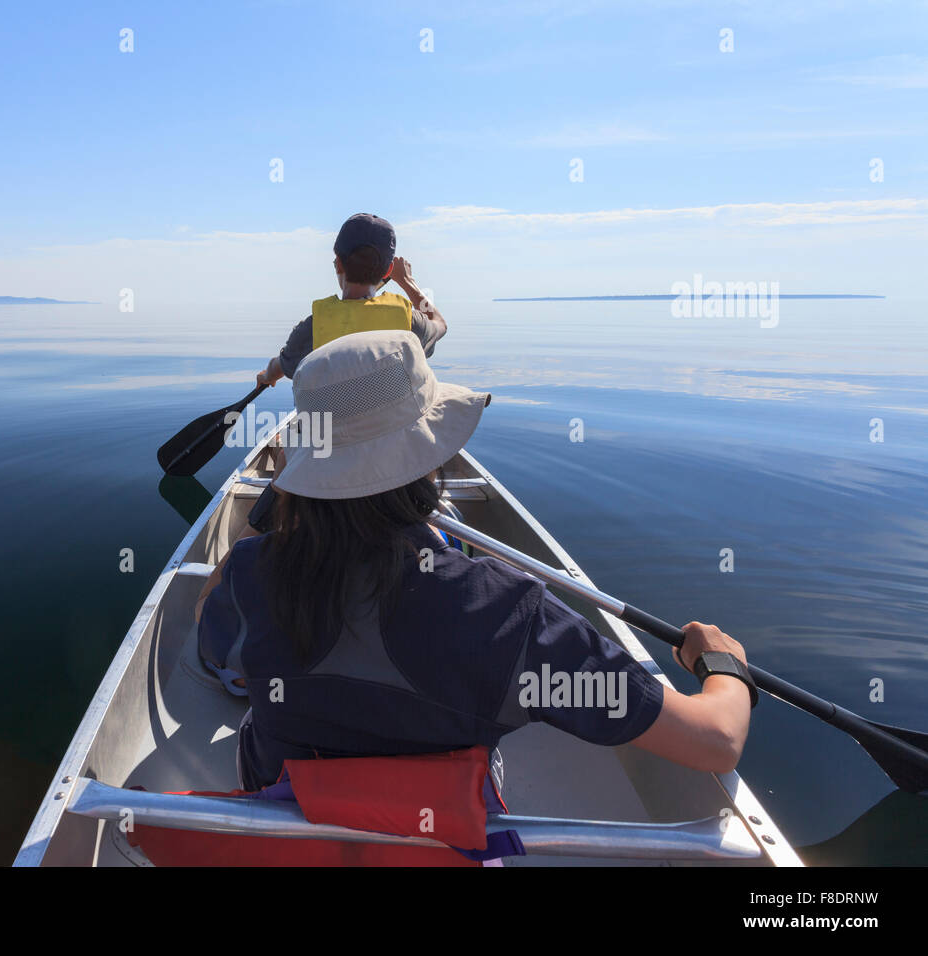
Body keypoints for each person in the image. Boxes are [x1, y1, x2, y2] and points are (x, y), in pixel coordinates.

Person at [198, 329, 757, 792]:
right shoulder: (512, 615)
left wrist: (276, 508)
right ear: (430, 460)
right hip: (436, 840)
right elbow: (716, 743)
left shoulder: (250, 576)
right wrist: (722, 665)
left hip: (291, 830)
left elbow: (207, 629)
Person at [255, 213, 446, 391]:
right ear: (388, 271)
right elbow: (440, 323)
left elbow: (279, 366)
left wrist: (267, 376)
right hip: (391, 427)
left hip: (330, 426)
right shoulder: (409, 324)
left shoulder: (312, 329)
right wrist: (408, 282)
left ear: (338, 263)